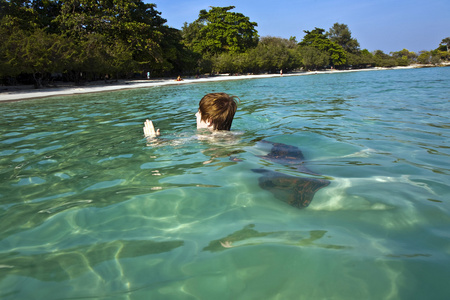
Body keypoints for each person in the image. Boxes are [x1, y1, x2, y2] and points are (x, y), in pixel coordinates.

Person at [143, 92, 239, 138]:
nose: (196, 115)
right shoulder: (237, 136)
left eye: (199, 112)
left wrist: (153, 141)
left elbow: (173, 145)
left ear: (208, 120)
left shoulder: (201, 137)